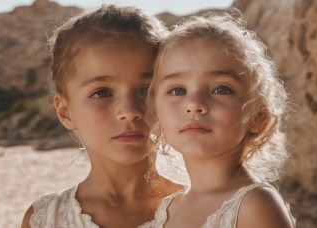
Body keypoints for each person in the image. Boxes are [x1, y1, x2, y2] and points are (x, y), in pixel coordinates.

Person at [21, 5, 181, 228]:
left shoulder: (207, 210)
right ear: (65, 112)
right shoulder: (46, 219)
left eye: (146, 90)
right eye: (102, 93)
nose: (129, 111)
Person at [147, 10, 296, 228]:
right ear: (156, 112)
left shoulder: (255, 206)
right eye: (178, 91)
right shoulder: (167, 209)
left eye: (221, 89)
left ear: (257, 118)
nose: (194, 104)